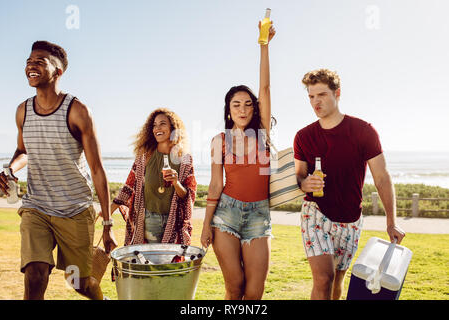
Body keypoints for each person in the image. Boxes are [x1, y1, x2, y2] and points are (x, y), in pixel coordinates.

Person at [0, 41, 117, 300]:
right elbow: (24, 151)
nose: (31, 65)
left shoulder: (77, 111)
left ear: (58, 71)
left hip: (75, 209)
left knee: (79, 283)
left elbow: (97, 169)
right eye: (29, 61)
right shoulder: (23, 111)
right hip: (37, 207)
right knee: (35, 273)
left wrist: (108, 224)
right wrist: (10, 170)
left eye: (40, 61)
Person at [293, 68, 406, 300]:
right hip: (316, 214)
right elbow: (299, 176)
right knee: (323, 279)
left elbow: (382, 177)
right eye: (311, 97)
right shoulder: (303, 136)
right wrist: (305, 185)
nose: (316, 102)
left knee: (336, 282)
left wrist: (391, 222)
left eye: (321, 95)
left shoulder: (363, 131)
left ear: (337, 93)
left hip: (351, 219)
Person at [200, 21, 276, 300]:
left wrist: (264, 45)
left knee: (254, 293)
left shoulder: (262, 132)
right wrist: (206, 224)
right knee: (235, 289)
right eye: (236, 104)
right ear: (228, 111)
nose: (243, 109)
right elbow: (215, 186)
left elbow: (265, 88)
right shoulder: (219, 140)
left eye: (248, 104)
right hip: (226, 215)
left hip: (259, 215)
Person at [108, 108, 197, 246]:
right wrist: (109, 210)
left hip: (175, 221)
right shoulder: (144, 156)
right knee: (150, 262)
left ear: (173, 128)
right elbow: (129, 185)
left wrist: (176, 182)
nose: (157, 128)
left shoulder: (185, 159)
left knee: (170, 265)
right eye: (154, 125)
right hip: (149, 220)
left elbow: (188, 195)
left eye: (162, 124)